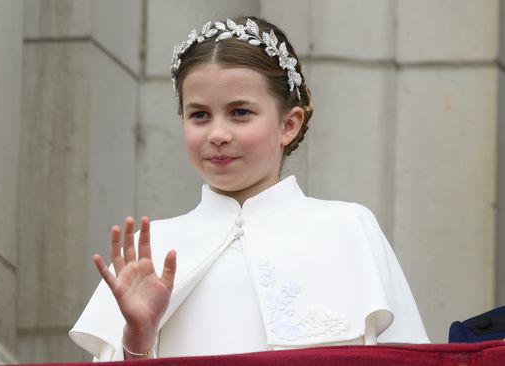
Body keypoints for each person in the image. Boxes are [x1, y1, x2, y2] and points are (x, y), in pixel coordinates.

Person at [69, 16, 430, 361]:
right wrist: (138, 341)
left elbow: (414, 360)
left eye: (240, 112)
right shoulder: (153, 251)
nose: (217, 134)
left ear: (288, 124)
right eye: (199, 115)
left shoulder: (348, 228)